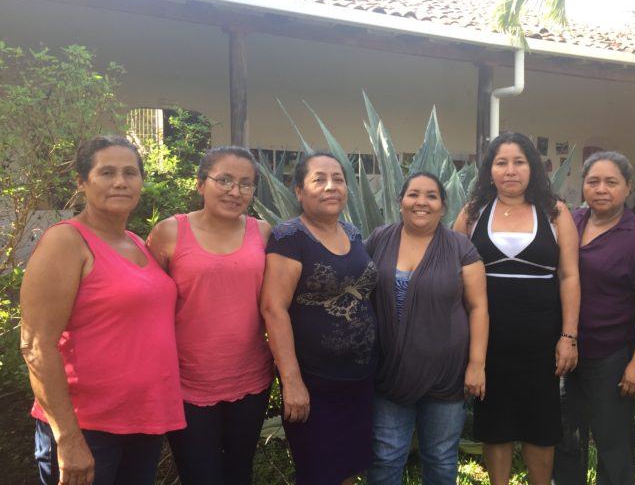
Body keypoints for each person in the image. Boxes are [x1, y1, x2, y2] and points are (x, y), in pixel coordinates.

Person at [20, 135, 185, 485]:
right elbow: (36, 346)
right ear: (82, 182)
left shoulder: (138, 242)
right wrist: (67, 438)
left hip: (142, 422)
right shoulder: (66, 241)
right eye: (106, 172)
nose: (121, 181)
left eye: (130, 172)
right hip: (87, 427)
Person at [454, 132, 580, 485]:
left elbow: (569, 276)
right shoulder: (474, 213)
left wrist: (568, 336)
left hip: (541, 342)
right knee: (496, 424)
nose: (511, 170)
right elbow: (451, 268)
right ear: (490, 170)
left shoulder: (555, 212)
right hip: (487, 341)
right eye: (501, 162)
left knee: (541, 423)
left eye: (519, 162)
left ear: (532, 168)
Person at [146, 146, 273, 485]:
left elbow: (276, 303)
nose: (235, 191)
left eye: (246, 183)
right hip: (187, 383)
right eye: (225, 180)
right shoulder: (169, 233)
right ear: (201, 184)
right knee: (199, 475)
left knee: (238, 472)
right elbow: (146, 307)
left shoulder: (262, 233)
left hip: (251, 380)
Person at [261, 152, 378, 485]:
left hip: (359, 378)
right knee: (318, 472)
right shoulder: (290, 238)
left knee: (348, 468)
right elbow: (273, 308)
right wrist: (293, 381)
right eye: (319, 179)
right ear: (299, 191)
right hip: (315, 383)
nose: (331, 187)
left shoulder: (353, 233)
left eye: (338, 179)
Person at [365, 172, 489, 485]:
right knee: (386, 455)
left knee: (441, 455)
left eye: (431, 196)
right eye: (414, 195)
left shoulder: (460, 247)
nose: (422, 202)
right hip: (390, 372)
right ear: (400, 201)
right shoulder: (379, 239)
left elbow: (478, 308)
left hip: (447, 374)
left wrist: (476, 365)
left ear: (443, 206)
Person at [553, 151, 635, 485]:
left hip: (612, 354)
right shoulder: (571, 222)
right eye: (593, 181)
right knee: (565, 438)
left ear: (628, 187)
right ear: (583, 186)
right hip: (564, 350)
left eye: (611, 182)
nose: (602, 189)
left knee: (612, 442)